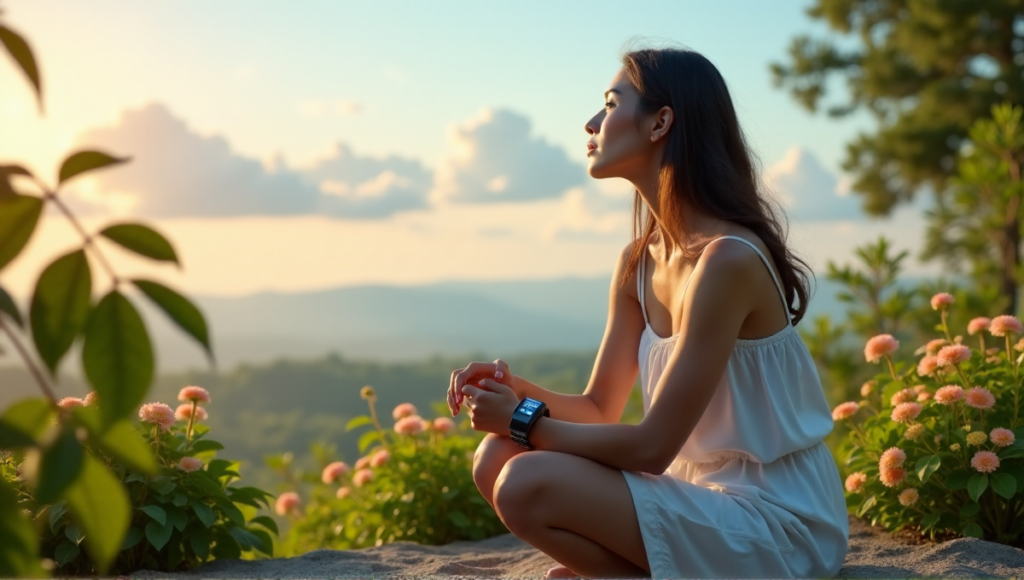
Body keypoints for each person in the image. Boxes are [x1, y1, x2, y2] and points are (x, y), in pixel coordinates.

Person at [446, 46, 849, 579]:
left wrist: (523, 420)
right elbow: (597, 408)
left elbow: (652, 446)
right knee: (494, 460)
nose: (591, 123)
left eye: (611, 105)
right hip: (699, 498)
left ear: (661, 122)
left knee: (524, 479)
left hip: (779, 521)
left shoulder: (727, 259)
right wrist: (516, 393)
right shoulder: (639, 263)